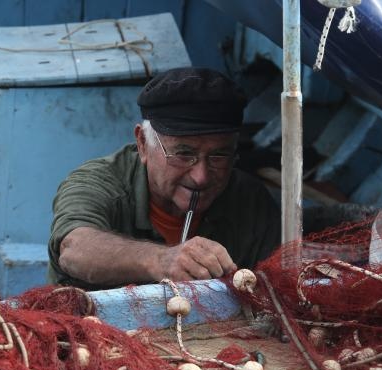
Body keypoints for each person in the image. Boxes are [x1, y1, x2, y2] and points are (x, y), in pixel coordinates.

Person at [47, 67, 281, 290]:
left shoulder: (250, 201)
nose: (200, 177)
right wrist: (161, 260)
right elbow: (74, 248)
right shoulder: (99, 182)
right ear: (143, 144)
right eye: (183, 154)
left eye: (219, 155)